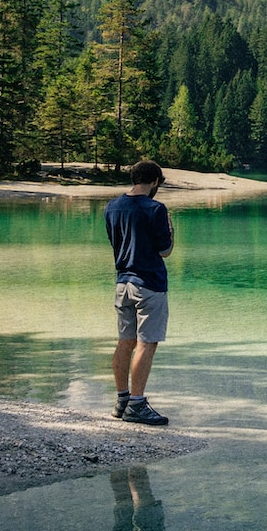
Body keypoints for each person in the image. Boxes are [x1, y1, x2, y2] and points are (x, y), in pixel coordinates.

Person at [106, 159, 174, 425]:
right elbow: (164, 250)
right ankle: (137, 404)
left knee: (125, 341)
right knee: (147, 343)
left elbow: (118, 243)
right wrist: (171, 229)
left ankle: (122, 400)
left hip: (122, 282)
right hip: (149, 283)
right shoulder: (156, 209)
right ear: (155, 181)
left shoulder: (112, 207)